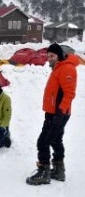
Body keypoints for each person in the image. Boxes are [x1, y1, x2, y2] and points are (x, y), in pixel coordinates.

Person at [26, 43, 79, 185]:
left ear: (59, 55)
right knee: (55, 140)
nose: (49, 58)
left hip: (59, 113)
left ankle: (44, 172)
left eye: (52, 56)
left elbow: (69, 94)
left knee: (43, 142)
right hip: (52, 112)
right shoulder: (58, 68)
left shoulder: (67, 68)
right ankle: (58, 170)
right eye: (48, 56)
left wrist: (60, 113)